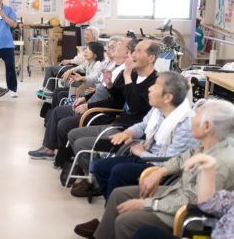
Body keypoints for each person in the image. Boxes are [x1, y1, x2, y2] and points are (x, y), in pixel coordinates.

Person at [74, 99, 234, 239]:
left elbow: (195, 202)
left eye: (197, 115)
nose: (192, 118)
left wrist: (147, 204)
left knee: (125, 221)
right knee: (118, 194)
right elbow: (179, 160)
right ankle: (102, 234)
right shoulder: (207, 143)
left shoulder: (221, 163)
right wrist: (160, 171)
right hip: (176, 193)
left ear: (207, 126)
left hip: (183, 214)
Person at [92, 71, 197, 201]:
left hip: (159, 167)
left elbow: (169, 162)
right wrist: (128, 132)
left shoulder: (185, 125)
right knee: (100, 167)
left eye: (156, 86)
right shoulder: (158, 110)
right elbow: (143, 125)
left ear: (168, 97)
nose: (149, 88)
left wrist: (142, 154)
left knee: (118, 172)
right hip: (146, 155)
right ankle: (112, 209)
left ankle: (113, 213)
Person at [68, 40, 159, 176]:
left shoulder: (154, 82)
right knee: (73, 134)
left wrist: (127, 75)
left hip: (128, 132)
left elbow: (136, 108)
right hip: (117, 124)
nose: (133, 54)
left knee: (81, 143)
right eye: (133, 51)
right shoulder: (134, 75)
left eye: (138, 51)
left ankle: (95, 180)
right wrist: (110, 84)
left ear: (151, 58)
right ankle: (90, 175)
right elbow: (119, 98)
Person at [28, 41, 105, 159]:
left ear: (95, 54)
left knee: (59, 96)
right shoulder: (89, 63)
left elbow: (94, 78)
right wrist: (70, 71)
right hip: (85, 93)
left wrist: (83, 78)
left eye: (87, 50)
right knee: (58, 93)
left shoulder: (99, 64)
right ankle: (50, 132)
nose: (84, 52)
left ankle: (49, 144)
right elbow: (80, 67)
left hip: (87, 96)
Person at [131, 154, 234, 239]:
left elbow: (197, 199)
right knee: (144, 231)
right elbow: (182, 159)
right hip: (180, 194)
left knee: (137, 228)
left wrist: (152, 204)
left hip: (185, 210)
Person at [37, 26, 100, 98]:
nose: (85, 36)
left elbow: (82, 61)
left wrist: (70, 61)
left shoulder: (94, 48)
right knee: (53, 69)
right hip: (76, 66)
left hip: (78, 69)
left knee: (51, 69)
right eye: (84, 34)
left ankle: (50, 91)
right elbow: (81, 60)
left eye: (87, 35)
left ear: (94, 37)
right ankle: (51, 90)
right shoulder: (88, 46)